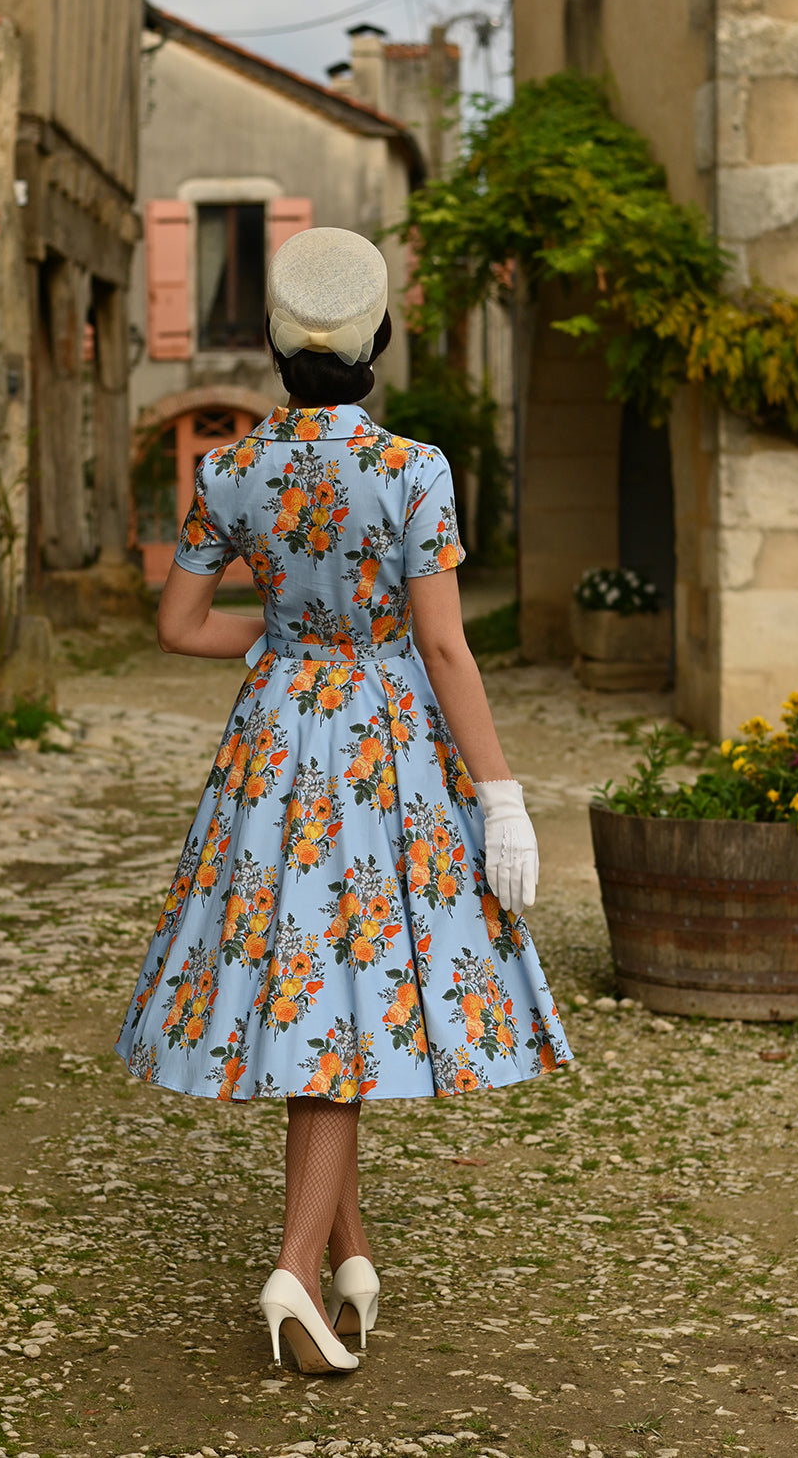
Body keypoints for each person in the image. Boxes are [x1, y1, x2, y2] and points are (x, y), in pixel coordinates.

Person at [114, 227, 572, 1375]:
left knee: (317, 985)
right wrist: (503, 797)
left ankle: (347, 1257)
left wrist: (283, 644)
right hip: (383, 750)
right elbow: (445, 647)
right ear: (375, 343)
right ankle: (292, 1266)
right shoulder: (412, 469)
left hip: (272, 742)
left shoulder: (227, 471)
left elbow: (176, 627)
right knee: (338, 1002)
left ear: (275, 348)